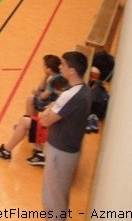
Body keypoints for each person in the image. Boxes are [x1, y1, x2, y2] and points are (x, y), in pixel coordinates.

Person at [40, 51, 92, 212]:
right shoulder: (85, 89)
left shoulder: (70, 95)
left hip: (60, 152)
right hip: (69, 149)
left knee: (53, 197)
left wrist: (46, 111)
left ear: (72, 71)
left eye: (63, 64)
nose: (60, 67)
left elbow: (45, 120)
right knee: (59, 193)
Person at [0, 75, 69, 165]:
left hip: (58, 131)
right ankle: (40, 153)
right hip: (61, 130)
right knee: (27, 126)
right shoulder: (68, 96)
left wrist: (47, 111)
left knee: (25, 122)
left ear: (60, 89)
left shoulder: (64, 99)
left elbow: (46, 121)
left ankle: (6, 151)